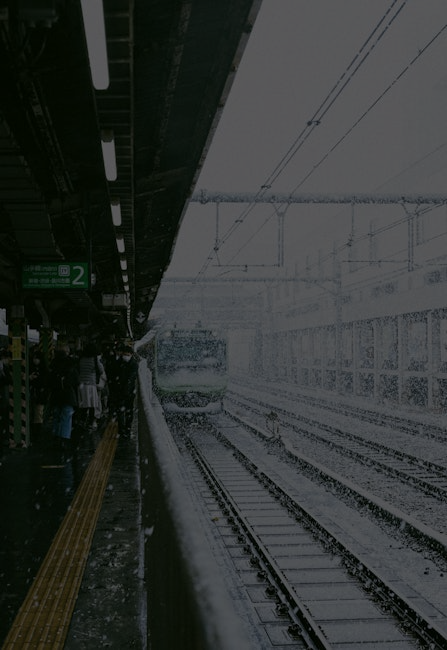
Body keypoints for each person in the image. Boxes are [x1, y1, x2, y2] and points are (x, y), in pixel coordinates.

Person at [48, 345, 79, 451]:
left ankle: (56, 437)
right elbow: (76, 381)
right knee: (66, 416)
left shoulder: (53, 364)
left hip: (56, 395)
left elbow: (49, 381)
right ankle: (64, 439)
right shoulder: (71, 364)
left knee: (56, 416)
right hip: (68, 395)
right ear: (67, 352)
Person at [77, 343, 106, 430]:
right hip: (91, 385)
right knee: (92, 405)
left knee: (83, 404)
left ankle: (82, 421)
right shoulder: (95, 359)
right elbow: (101, 370)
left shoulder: (81, 358)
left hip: (81, 384)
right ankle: (90, 423)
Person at [115, 345, 138, 437]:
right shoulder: (120, 363)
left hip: (129, 392)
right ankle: (122, 430)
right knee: (122, 411)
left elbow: (132, 378)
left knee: (128, 411)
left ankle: (127, 429)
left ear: (131, 355)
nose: (126, 356)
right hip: (121, 391)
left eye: (127, 355)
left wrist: (126, 389)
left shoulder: (134, 364)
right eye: (124, 354)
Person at [29, 348, 49, 442]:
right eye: (34, 358)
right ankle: (34, 433)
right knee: (33, 413)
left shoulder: (44, 370)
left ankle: (37, 434)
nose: (35, 360)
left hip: (40, 395)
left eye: (37, 358)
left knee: (38, 414)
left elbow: (45, 382)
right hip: (33, 394)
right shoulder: (30, 368)